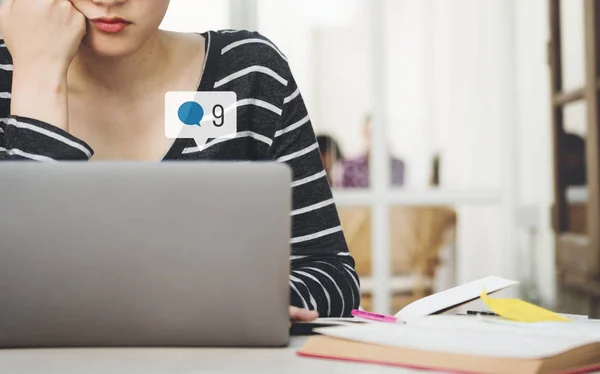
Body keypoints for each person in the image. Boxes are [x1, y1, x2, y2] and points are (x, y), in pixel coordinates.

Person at [0, 0, 360, 320]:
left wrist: (245, 303)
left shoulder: (250, 72)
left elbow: (332, 272)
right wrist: (37, 75)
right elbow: (16, 290)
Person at [342, 114, 405, 188]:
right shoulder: (350, 166)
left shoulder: (397, 164)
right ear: (364, 133)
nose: (375, 139)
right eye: (371, 133)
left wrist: (387, 159)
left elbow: (395, 190)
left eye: (379, 133)